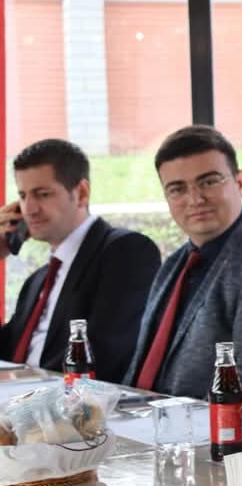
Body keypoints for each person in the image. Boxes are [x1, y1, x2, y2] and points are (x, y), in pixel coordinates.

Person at [123, 125, 242, 416]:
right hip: (142, 426)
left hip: (206, 436)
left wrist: (169, 428)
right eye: (177, 189)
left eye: (209, 182)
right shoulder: (176, 263)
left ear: (239, 182)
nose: (195, 199)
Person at [0, 139, 160, 382]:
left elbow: (102, 355)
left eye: (43, 194)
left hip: (70, 400)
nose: (29, 209)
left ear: (82, 193)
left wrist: (21, 385)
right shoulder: (37, 281)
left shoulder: (125, 251)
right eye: (23, 196)